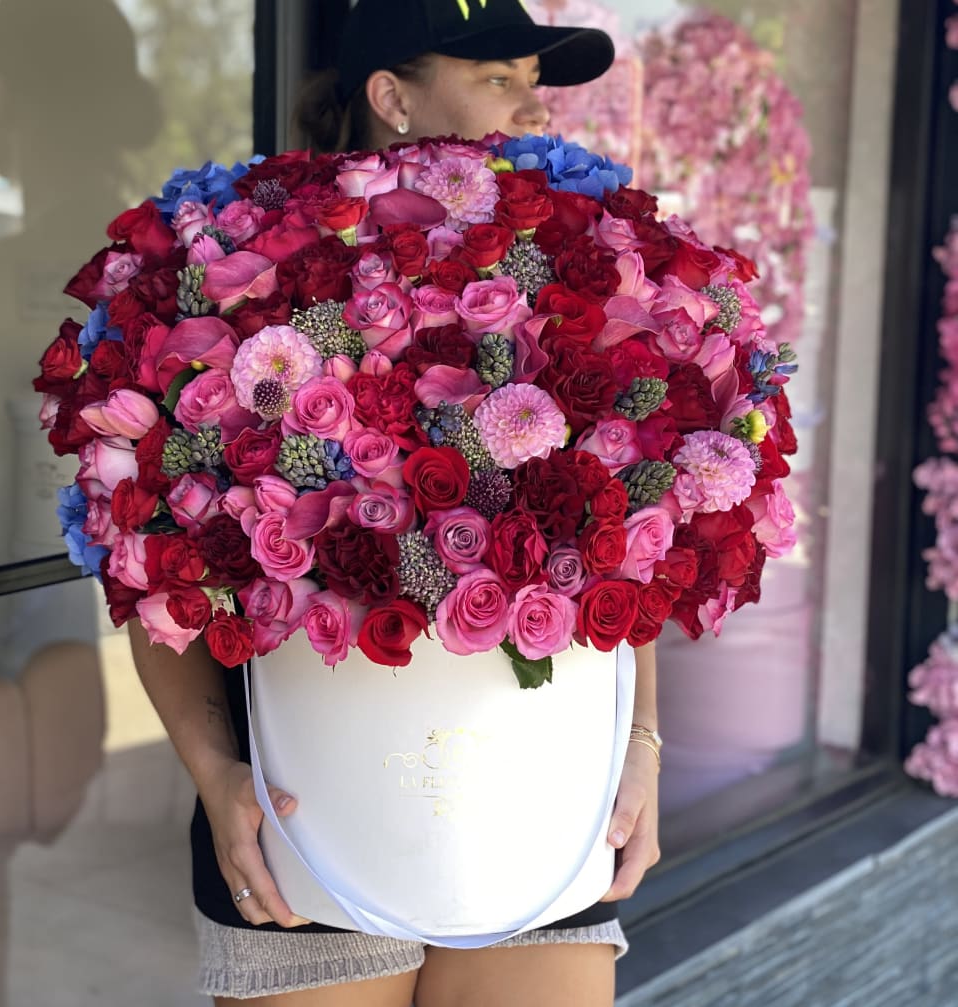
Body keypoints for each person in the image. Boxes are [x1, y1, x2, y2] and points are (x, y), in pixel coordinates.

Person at [128, 1, 662, 1003]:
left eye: (531, 81)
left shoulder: (571, 277)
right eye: (498, 77)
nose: (532, 106)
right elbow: (157, 574)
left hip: (542, 809)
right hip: (312, 828)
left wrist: (639, 747)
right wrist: (214, 773)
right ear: (392, 99)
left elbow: (629, 540)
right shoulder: (249, 288)